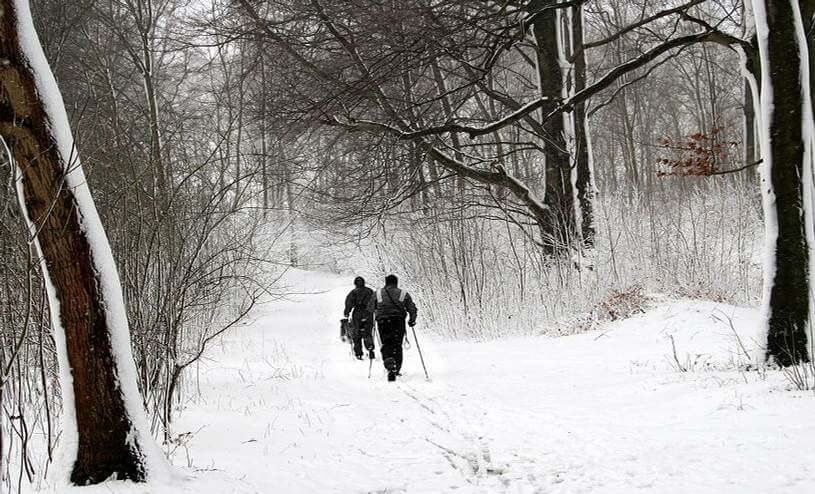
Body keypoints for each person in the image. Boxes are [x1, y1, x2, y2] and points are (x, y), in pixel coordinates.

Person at [368, 274, 417, 382]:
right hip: (398, 321)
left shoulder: (378, 293)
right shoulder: (403, 293)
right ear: (396, 282)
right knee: (397, 344)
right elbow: (411, 308)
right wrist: (412, 320)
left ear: (386, 282)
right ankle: (396, 368)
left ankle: (389, 363)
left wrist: (376, 312)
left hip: (383, 321)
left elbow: (370, 307)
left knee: (386, 343)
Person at [343, 276, 376, 360]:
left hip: (357, 313)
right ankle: (370, 349)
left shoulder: (353, 292)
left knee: (356, 333)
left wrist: (346, 313)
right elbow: (375, 301)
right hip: (368, 313)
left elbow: (349, 303)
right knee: (367, 332)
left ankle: (358, 353)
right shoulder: (369, 291)